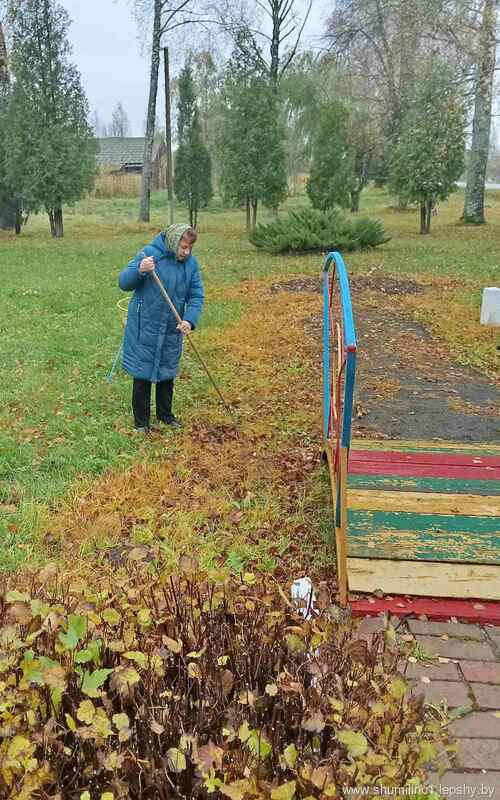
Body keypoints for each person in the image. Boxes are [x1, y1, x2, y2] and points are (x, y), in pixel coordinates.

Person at [119, 223, 204, 433]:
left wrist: (189, 320)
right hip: (145, 325)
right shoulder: (149, 254)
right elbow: (124, 282)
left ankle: (165, 416)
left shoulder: (191, 265)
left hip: (171, 327)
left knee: (167, 373)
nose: (187, 252)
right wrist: (140, 270)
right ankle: (141, 423)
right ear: (174, 242)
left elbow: (196, 295)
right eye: (183, 247)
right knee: (142, 374)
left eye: (189, 248)